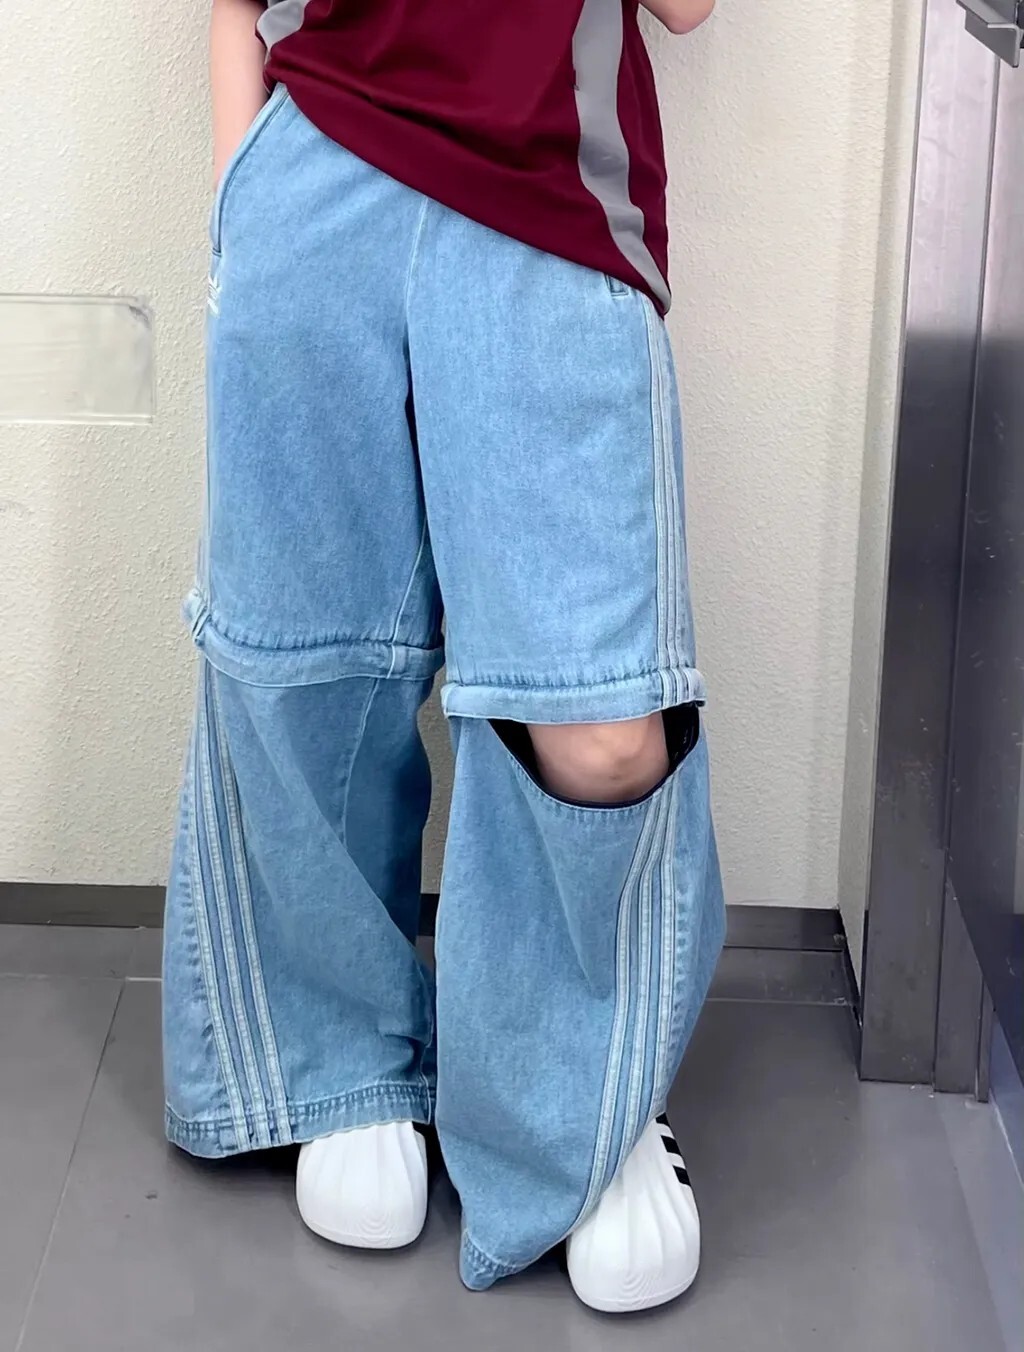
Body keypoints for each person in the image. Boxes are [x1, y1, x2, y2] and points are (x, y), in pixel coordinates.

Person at [163, 0, 725, 1315]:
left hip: (549, 194)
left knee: (598, 725)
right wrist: (244, 200)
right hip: (312, 181)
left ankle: (585, 1102)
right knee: (304, 665)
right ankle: (340, 1060)